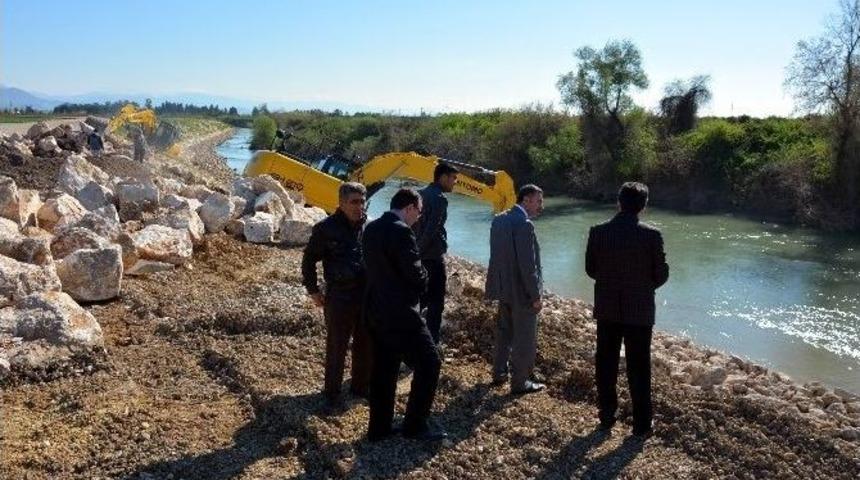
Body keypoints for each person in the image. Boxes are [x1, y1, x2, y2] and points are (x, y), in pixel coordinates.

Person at [585, 182, 669, 437]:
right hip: (640, 310)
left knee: (606, 362)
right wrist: (643, 287)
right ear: (643, 206)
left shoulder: (598, 232)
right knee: (639, 366)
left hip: (608, 306)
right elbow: (661, 274)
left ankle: (607, 416)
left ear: (618, 202)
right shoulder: (652, 235)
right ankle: (641, 425)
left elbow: (590, 270)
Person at [363, 188, 447, 441]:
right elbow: (416, 274)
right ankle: (415, 426)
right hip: (401, 313)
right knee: (430, 363)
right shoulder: (401, 231)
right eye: (419, 212)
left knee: (384, 369)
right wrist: (424, 279)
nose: (419, 218)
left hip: (375, 308)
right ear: (409, 207)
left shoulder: (371, 228)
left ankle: (379, 428)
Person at [302, 182, 372, 407]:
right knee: (337, 346)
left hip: (365, 295)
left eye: (362, 202)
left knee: (365, 343)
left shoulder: (369, 227)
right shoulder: (325, 228)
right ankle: (332, 394)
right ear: (341, 203)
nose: (358, 207)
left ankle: (360, 388)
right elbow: (309, 260)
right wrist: (313, 290)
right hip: (339, 296)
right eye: (354, 202)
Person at [485, 184, 545, 394]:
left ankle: (499, 373)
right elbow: (528, 266)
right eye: (538, 201)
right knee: (525, 339)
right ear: (526, 200)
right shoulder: (525, 225)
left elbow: (496, 257)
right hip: (522, 294)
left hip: (503, 289)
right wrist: (535, 295)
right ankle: (520, 383)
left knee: (504, 332)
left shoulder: (499, 219)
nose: (541, 206)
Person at [414, 162, 459, 344]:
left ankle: (412, 338)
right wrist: (420, 251)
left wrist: (414, 252)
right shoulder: (440, 198)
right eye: (453, 178)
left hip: (420, 255)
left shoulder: (420, 194)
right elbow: (432, 230)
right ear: (443, 177)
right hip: (432, 256)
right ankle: (431, 343)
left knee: (420, 300)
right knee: (436, 303)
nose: (454, 182)